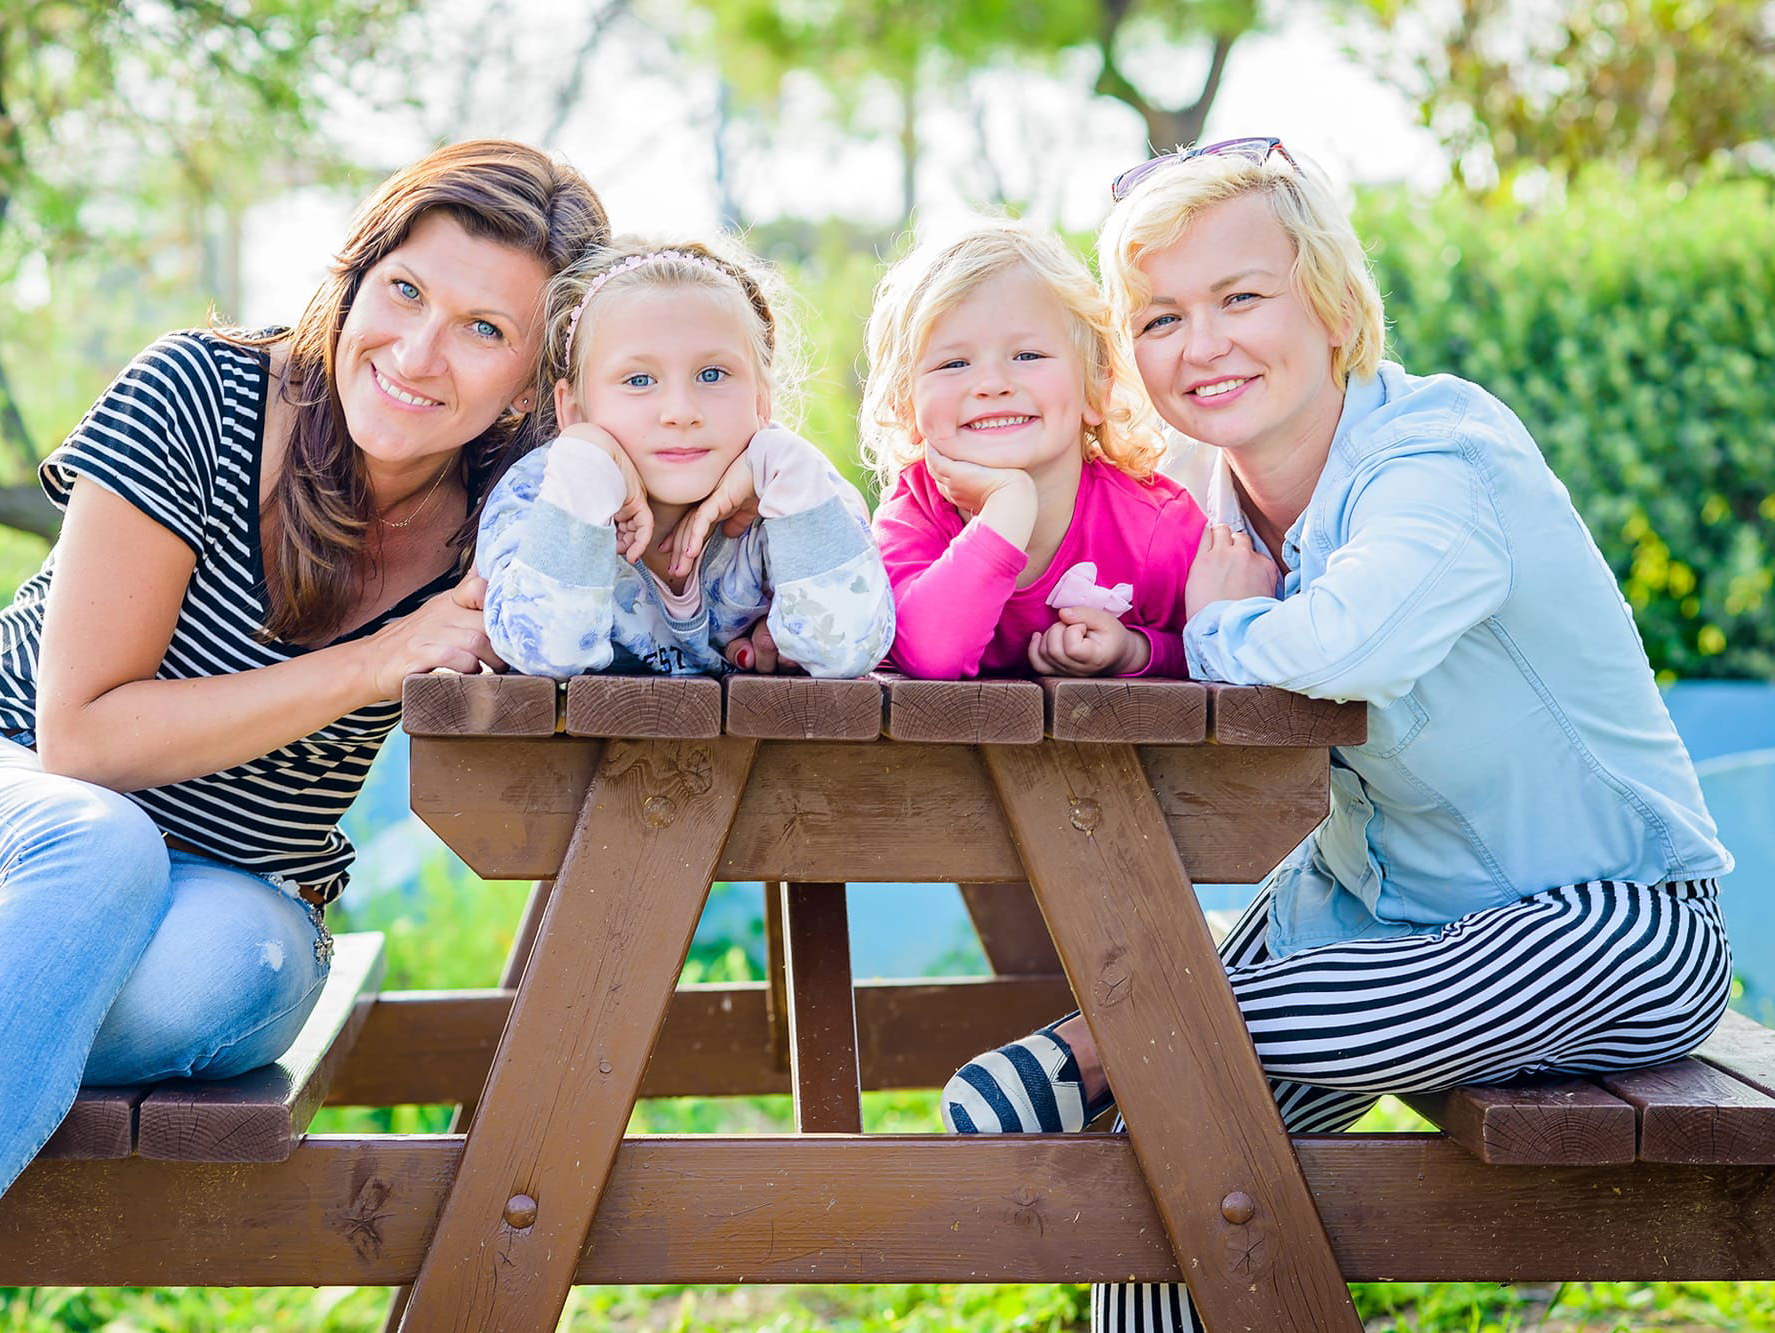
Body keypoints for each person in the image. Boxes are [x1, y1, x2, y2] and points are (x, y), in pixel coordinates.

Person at [0, 138, 607, 1333]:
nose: (419, 353)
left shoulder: (515, 521)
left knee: (248, 978)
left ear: (533, 383)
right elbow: (82, 740)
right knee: (99, 842)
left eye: (485, 330)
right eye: (407, 293)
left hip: (218, 898)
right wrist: (378, 656)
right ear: (357, 277)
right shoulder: (197, 394)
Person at [939, 139, 1733, 1332]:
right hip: (1377, 907)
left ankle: (1095, 1040)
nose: (1200, 344)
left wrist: (1212, 626)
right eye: (1158, 317)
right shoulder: (1213, 500)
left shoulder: (1440, 456)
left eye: (1239, 297)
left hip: (1617, 921)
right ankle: (1122, 1079)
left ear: (1329, 302)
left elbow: (1345, 645)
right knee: (1180, 1124)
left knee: (1176, 1042)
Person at [479, 238, 894, 678]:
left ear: (760, 399)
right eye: (639, 379)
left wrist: (784, 467)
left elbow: (849, 650)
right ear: (575, 411)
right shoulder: (539, 496)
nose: (680, 412)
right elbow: (546, 652)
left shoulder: (795, 485)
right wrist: (587, 464)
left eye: (712, 375)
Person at [862, 219, 1205, 681]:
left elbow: (1217, 646)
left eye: (1027, 356)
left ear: (1096, 388)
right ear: (907, 408)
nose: (992, 384)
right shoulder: (915, 515)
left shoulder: (1156, 530)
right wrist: (1008, 505)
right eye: (954, 363)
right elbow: (931, 652)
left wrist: (1136, 650)